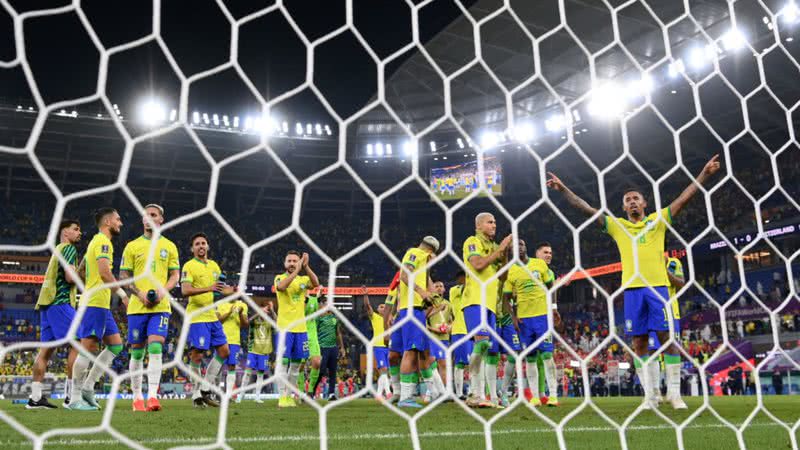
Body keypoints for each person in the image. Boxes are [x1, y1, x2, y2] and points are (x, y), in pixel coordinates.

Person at [547, 154, 720, 409]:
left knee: (666, 338)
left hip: (658, 289)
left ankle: (674, 394)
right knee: (638, 342)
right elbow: (585, 208)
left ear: (645, 203)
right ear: (624, 208)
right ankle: (650, 396)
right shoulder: (617, 226)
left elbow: (684, 198)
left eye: (636, 198)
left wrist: (704, 173)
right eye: (628, 200)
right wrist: (563, 190)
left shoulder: (657, 221)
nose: (632, 202)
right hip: (632, 291)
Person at [119, 204, 180, 412]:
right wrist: (139, 294)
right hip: (137, 307)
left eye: (153, 215)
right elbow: (124, 277)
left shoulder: (170, 246)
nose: (149, 218)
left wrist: (163, 291)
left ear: (161, 219)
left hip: (161, 306)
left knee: (155, 347)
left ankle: (153, 396)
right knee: (137, 353)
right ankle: (137, 398)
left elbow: (175, 275)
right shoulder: (132, 246)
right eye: (146, 215)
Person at [70, 208, 125, 411]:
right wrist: (123, 295)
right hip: (95, 303)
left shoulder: (95, 241)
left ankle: (88, 388)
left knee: (116, 346)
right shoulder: (103, 241)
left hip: (99, 302)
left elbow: (80, 272)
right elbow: (104, 272)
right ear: (108, 221)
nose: (121, 223)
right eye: (118, 220)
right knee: (88, 348)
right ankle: (75, 397)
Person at [27, 219, 82, 409]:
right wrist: (81, 271)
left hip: (47, 303)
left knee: (45, 352)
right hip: (60, 302)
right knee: (80, 341)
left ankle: (35, 398)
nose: (79, 232)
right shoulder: (68, 249)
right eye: (75, 229)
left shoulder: (57, 249)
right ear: (65, 233)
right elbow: (69, 278)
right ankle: (71, 397)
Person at [462, 213, 512, 408]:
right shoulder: (472, 241)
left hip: (490, 304)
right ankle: (475, 393)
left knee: (484, 349)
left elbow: (503, 277)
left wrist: (505, 253)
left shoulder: (494, 248)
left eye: (495, 222)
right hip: (475, 300)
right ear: (479, 225)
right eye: (490, 222)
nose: (494, 225)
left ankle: (477, 394)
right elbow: (478, 264)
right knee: (481, 345)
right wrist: (500, 249)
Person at [384, 236, 439, 408]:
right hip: (412, 310)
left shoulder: (423, 266)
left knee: (395, 354)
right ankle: (406, 397)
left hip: (407, 311)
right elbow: (404, 275)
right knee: (411, 352)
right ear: (430, 252)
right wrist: (421, 292)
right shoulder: (416, 253)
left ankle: (401, 392)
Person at [504, 240, 560, 407]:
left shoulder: (539, 264)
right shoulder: (512, 271)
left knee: (548, 356)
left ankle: (553, 396)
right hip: (524, 320)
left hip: (542, 317)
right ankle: (535, 396)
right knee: (530, 358)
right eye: (515, 246)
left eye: (521, 244)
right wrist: (513, 317)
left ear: (526, 247)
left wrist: (554, 308)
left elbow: (552, 287)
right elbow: (506, 298)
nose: (519, 247)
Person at [181, 232, 234, 409]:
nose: (201, 246)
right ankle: (197, 394)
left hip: (212, 315)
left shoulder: (214, 266)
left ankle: (204, 389)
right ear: (192, 248)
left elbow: (219, 290)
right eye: (197, 244)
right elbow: (185, 290)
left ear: (208, 246)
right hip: (197, 316)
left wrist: (232, 290)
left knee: (225, 351)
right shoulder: (189, 266)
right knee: (197, 354)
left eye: (203, 243)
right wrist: (209, 288)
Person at [274, 250, 320, 407]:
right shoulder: (279, 278)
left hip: (301, 329)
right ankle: (281, 397)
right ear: (285, 263)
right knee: (283, 363)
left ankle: (288, 396)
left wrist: (306, 267)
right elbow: (281, 287)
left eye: (295, 261)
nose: (292, 263)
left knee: (295, 365)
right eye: (290, 261)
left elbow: (316, 284)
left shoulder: (303, 279)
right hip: (285, 328)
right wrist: (299, 268)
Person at [646, 256, 686, 406]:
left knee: (672, 348)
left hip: (670, 312)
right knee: (651, 351)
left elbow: (681, 284)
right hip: (651, 313)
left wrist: (664, 269)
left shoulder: (673, 262)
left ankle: (673, 393)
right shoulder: (646, 261)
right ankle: (655, 393)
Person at [239, 300, 275, 404]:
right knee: (247, 373)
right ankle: (240, 396)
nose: (265, 312)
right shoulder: (254, 321)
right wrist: (258, 313)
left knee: (260, 375)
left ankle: (257, 396)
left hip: (264, 352)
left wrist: (272, 310)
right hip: (253, 351)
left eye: (266, 311)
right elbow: (247, 322)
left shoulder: (269, 322)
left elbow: (277, 322)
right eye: (264, 310)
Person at [362, 286, 391, 400]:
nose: (383, 308)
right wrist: (365, 295)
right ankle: (388, 393)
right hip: (378, 346)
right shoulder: (375, 317)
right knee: (383, 369)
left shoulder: (390, 319)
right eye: (381, 307)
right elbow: (368, 306)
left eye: (384, 307)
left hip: (388, 346)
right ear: (378, 310)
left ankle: (379, 394)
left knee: (385, 372)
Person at [217, 297, 248, 399]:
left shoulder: (242, 305)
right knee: (217, 366)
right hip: (221, 340)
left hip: (235, 341)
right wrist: (230, 312)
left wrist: (240, 314)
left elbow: (245, 325)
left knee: (232, 366)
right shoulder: (221, 304)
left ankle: (228, 395)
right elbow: (218, 321)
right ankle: (215, 393)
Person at [425, 280, 451, 402]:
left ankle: (444, 391)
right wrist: (434, 329)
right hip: (431, 336)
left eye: (441, 286)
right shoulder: (428, 302)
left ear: (445, 289)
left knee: (444, 364)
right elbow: (423, 319)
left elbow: (453, 320)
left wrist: (449, 327)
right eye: (437, 286)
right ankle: (431, 391)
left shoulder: (448, 304)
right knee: (431, 362)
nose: (439, 288)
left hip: (444, 338)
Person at [316, 295, 345, 401]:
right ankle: (313, 390)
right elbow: (314, 332)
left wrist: (342, 347)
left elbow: (338, 333)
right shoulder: (318, 318)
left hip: (333, 348)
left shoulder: (334, 318)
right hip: (322, 347)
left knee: (333, 371)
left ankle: (331, 393)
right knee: (321, 370)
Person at [448, 270, 470, 400]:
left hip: (473, 330)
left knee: (475, 362)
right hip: (460, 331)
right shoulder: (454, 290)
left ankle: (475, 391)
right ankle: (459, 393)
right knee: (460, 363)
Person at [299, 287, 322, 399]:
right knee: (300, 365)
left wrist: (319, 295)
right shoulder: (298, 299)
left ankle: (310, 391)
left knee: (317, 363)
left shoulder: (313, 300)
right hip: (300, 333)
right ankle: (300, 391)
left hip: (312, 335)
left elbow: (317, 309)